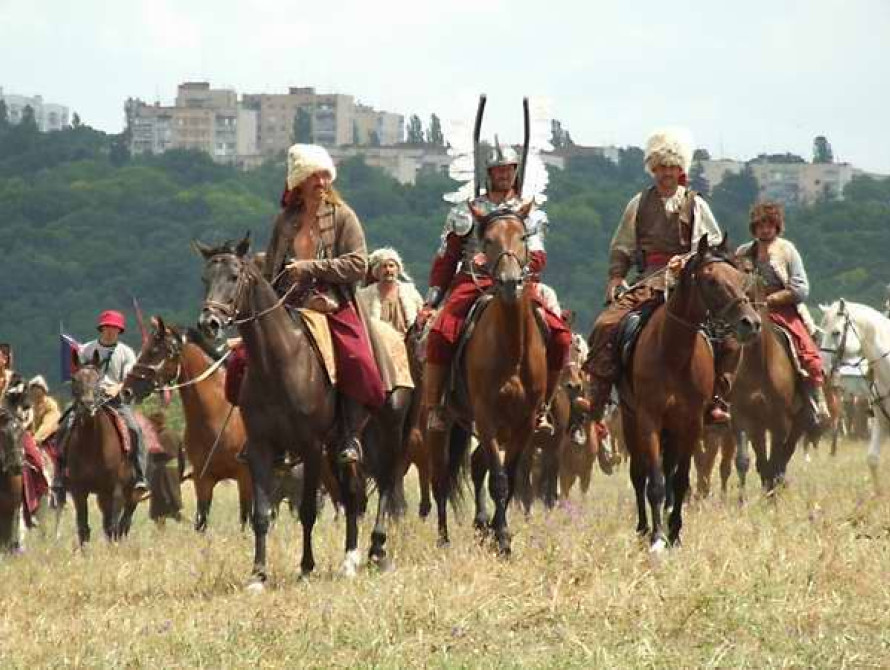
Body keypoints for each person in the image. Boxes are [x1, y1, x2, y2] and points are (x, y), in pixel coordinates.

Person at [418, 140, 572, 434]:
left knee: (562, 338)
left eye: (508, 169)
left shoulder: (527, 211)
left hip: (518, 283)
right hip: (473, 283)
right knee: (440, 333)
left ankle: (542, 407)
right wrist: (433, 297)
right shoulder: (469, 210)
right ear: (489, 172)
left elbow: (538, 256)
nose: (503, 174)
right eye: (497, 169)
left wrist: (511, 263)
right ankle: (435, 406)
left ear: (516, 171)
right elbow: (447, 258)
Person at [585, 128, 737, 423]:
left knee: (728, 338)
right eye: (661, 167)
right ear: (653, 169)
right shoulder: (638, 203)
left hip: (690, 282)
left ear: (680, 168)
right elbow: (622, 245)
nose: (667, 173)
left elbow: (714, 246)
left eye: (672, 167)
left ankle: (717, 398)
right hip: (648, 280)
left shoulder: (696, 204)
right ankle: (599, 397)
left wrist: (690, 260)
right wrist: (616, 276)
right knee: (605, 324)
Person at [263, 143, 385, 464]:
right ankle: (264, 438)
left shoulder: (344, 216)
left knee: (356, 358)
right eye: (312, 176)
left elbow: (358, 264)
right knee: (245, 362)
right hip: (287, 304)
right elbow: (271, 270)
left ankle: (349, 435)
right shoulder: (285, 221)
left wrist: (311, 267)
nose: (320, 182)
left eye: (323, 175)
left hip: (333, 302)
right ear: (299, 182)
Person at [736, 202, 830, 426]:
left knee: (808, 354)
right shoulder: (742, 252)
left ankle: (815, 402)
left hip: (782, 310)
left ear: (777, 226)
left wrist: (770, 300)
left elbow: (801, 288)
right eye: (759, 225)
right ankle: (718, 400)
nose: (764, 229)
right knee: (722, 346)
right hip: (747, 310)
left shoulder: (787, 250)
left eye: (769, 225)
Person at [53, 310, 148, 498]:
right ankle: (60, 474)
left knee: (135, 429)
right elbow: (77, 372)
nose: (111, 331)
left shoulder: (126, 352)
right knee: (64, 425)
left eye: (115, 328)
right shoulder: (86, 349)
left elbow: (128, 379)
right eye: (108, 327)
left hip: (115, 400)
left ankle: (139, 476)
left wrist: (117, 388)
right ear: (101, 328)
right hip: (87, 397)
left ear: (120, 331)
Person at [356, 247, 424, 335]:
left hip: (407, 343)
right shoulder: (365, 295)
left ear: (397, 269)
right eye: (384, 267)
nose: (388, 270)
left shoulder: (410, 292)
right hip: (379, 343)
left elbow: (422, 315)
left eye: (391, 266)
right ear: (377, 271)